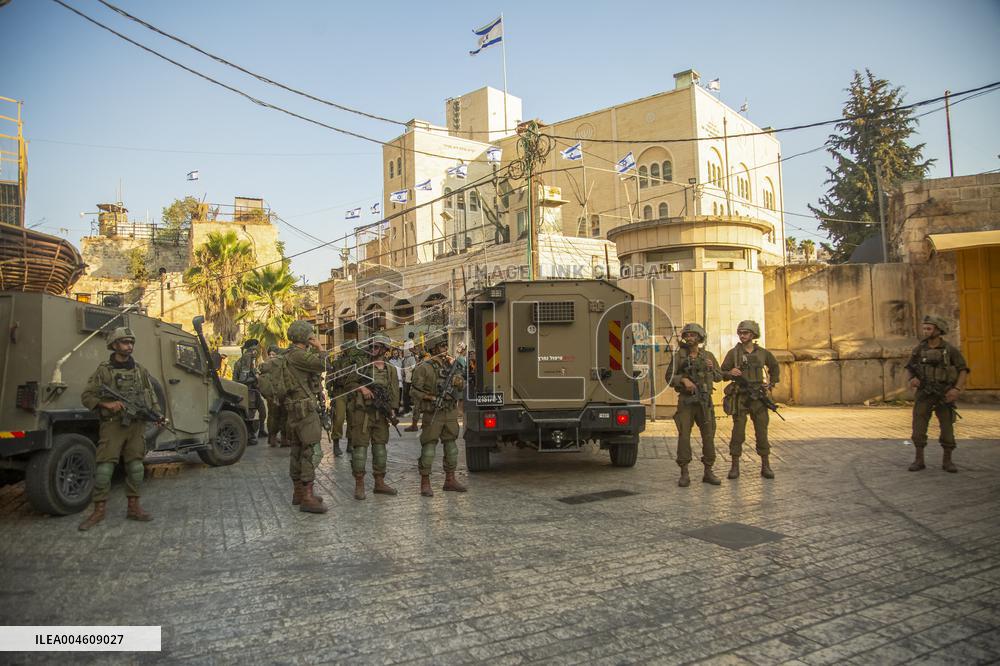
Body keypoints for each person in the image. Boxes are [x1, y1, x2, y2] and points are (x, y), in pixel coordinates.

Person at [78, 327, 162, 530]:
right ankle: (98, 511)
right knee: (105, 469)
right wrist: (107, 404)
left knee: (135, 467)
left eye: (131, 342)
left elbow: (150, 395)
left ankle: (134, 507)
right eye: (125, 342)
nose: (129, 346)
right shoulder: (103, 370)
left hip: (136, 425)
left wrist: (158, 414)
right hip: (113, 425)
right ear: (114, 345)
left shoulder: (140, 370)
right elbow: (87, 396)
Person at [905, 315, 969, 473]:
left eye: (929, 328)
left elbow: (963, 370)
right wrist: (912, 379)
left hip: (944, 394)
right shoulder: (919, 349)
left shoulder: (949, 350)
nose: (926, 331)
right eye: (924, 328)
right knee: (918, 428)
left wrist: (956, 389)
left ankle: (947, 461)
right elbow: (909, 367)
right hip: (924, 393)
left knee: (947, 428)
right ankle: (919, 460)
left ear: (938, 330)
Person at [720, 320, 780, 480]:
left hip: (758, 396)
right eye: (740, 333)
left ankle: (765, 465)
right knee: (738, 432)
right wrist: (730, 372)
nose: (742, 335)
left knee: (762, 431)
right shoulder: (733, 353)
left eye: (745, 333)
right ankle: (734, 466)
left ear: (753, 334)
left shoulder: (762, 353)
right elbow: (721, 372)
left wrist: (771, 383)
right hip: (741, 396)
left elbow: (774, 366)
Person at [410, 331, 467, 496]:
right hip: (433, 411)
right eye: (441, 346)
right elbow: (413, 392)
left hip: (449, 411)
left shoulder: (451, 365)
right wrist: (430, 397)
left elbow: (461, 385)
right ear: (434, 348)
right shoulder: (424, 368)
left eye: (445, 345)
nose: (444, 348)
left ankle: (450, 480)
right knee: (428, 448)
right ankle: (425, 482)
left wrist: (458, 381)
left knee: (452, 447)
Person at [666, 323, 723, 487]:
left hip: (705, 402)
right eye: (687, 335)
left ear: (699, 337)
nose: (690, 338)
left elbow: (719, 377)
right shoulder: (679, 356)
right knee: (684, 435)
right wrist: (683, 380)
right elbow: (669, 377)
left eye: (693, 335)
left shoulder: (708, 356)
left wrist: (712, 369)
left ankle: (708, 471)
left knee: (708, 435)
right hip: (686, 401)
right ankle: (684, 472)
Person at [345, 336, 401, 499]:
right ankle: (359, 484)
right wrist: (362, 388)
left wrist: (392, 410)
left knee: (380, 449)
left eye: (377, 347)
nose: (373, 349)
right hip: (362, 414)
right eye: (372, 346)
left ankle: (379, 482)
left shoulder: (390, 369)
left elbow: (394, 391)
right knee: (360, 449)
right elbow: (347, 383)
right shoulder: (362, 366)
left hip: (381, 415)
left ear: (384, 350)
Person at [283, 320, 327, 514]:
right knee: (311, 451)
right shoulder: (299, 355)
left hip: (293, 410)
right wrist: (319, 347)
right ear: (304, 336)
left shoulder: (287, 355)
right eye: (310, 334)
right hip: (305, 411)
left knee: (297, 450)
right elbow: (323, 364)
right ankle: (307, 497)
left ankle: (298, 493)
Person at [232, 338, 266, 443]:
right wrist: (256, 377)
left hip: (253, 391)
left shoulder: (251, 360)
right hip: (247, 391)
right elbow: (243, 380)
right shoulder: (246, 359)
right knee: (249, 414)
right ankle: (248, 436)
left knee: (262, 410)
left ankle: (260, 430)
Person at [260, 344, 286, 447]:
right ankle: (273, 438)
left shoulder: (278, 364)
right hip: (272, 395)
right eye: (270, 354)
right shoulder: (270, 365)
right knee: (274, 416)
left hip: (280, 394)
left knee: (282, 416)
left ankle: (280, 438)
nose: (271, 356)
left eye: (273, 354)